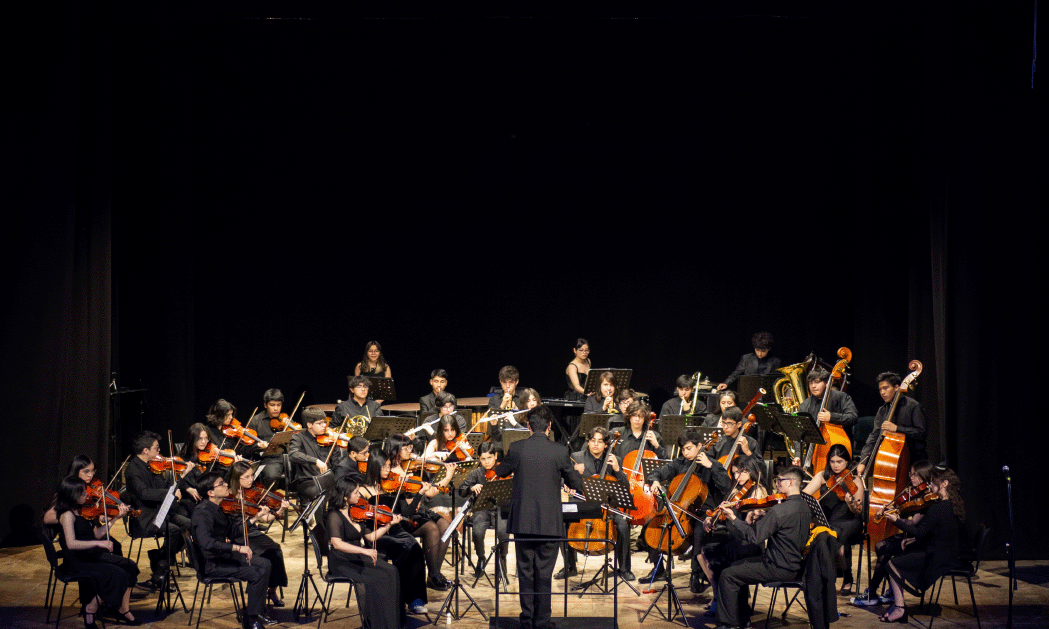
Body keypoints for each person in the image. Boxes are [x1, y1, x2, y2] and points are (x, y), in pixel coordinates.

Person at [492, 405, 583, 629]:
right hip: (549, 523)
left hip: (522, 522)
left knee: (525, 572)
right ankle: (541, 622)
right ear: (550, 426)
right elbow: (576, 484)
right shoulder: (560, 451)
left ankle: (527, 620)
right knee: (544, 573)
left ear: (528, 426)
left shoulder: (516, 448)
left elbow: (500, 471)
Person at [713, 466, 812, 629]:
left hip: (777, 566)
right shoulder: (804, 506)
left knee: (727, 575)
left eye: (780, 480)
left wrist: (733, 518)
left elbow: (754, 537)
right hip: (795, 564)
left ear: (791, 482)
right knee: (737, 567)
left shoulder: (780, 510)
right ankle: (743, 619)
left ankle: (727, 625)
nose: (777, 484)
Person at [879, 467, 967, 623]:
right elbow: (938, 534)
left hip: (937, 557)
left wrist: (896, 521)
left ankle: (899, 608)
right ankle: (897, 604)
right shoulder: (954, 505)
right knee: (901, 555)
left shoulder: (937, 508)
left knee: (892, 563)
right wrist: (914, 541)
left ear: (945, 484)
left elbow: (919, 532)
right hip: (950, 554)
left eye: (933, 482)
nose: (930, 485)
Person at [646, 426, 732, 584]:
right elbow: (657, 472)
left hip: (703, 511)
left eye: (689, 448)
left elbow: (726, 486)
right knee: (652, 525)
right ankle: (658, 570)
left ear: (700, 446)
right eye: (683, 449)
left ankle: (696, 574)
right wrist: (656, 481)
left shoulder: (712, 464)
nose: (685, 453)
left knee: (699, 532)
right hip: (679, 509)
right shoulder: (680, 463)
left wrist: (711, 467)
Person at [190, 472, 276, 629]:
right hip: (212, 564)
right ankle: (251, 619)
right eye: (221, 484)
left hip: (222, 556)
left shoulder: (217, 508)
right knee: (256, 573)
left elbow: (233, 531)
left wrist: (256, 517)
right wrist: (237, 547)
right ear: (210, 492)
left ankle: (255, 611)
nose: (226, 485)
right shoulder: (202, 513)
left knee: (265, 563)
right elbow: (207, 543)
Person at [54, 476, 141, 628]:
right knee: (117, 574)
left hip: (91, 556)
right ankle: (91, 608)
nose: (86, 495)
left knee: (130, 566)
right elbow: (71, 543)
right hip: (78, 561)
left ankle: (123, 609)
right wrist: (98, 543)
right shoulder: (67, 515)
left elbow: (97, 534)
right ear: (72, 494)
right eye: (82, 493)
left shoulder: (83, 511)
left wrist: (115, 518)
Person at [326, 476, 407, 628]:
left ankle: (393, 622)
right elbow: (337, 544)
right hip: (343, 561)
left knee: (392, 571)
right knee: (379, 578)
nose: (360, 495)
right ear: (345, 496)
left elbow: (370, 536)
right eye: (356, 492)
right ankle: (376, 623)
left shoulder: (355, 512)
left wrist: (389, 524)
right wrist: (365, 551)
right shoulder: (334, 515)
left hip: (358, 556)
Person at [852, 460, 936, 606]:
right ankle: (888, 589)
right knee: (880, 546)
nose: (912, 478)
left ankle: (874, 591)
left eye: (915, 475)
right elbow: (908, 515)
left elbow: (912, 523)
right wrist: (892, 510)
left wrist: (895, 518)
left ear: (925, 476)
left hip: (920, 541)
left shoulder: (928, 499)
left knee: (883, 548)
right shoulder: (917, 495)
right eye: (911, 474)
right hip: (911, 536)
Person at [358, 450, 429, 612]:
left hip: (396, 530)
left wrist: (419, 494)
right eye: (384, 467)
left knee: (415, 548)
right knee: (404, 549)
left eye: (389, 466)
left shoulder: (392, 488)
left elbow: (407, 513)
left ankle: (415, 599)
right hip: (378, 534)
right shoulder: (363, 491)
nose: (388, 470)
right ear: (375, 467)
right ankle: (400, 596)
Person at [124, 430, 194, 590]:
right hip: (144, 518)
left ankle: (160, 563)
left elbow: (163, 488)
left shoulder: (153, 466)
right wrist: (169, 492)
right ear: (145, 450)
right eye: (156, 448)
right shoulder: (133, 471)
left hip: (161, 513)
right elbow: (144, 493)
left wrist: (181, 477)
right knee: (175, 531)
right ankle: (161, 569)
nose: (159, 452)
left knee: (189, 525)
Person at [561, 426, 634, 580]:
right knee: (563, 522)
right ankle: (569, 566)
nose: (595, 444)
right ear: (588, 442)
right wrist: (567, 485)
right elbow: (565, 477)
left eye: (600, 442)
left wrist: (617, 469)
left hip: (608, 507)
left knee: (622, 524)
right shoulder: (577, 457)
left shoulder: (615, 459)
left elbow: (625, 488)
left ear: (606, 445)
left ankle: (624, 568)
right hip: (584, 503)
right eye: (593, 441)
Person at [697, 457, 768, 610]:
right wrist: (712, 517)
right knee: (703, 551)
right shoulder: (737, 489)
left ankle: (728, 603)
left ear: (749, 471)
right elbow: (724, 512)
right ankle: (719, 597)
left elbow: (753, 528)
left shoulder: (758, 490)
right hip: (737, 537)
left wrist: (752, 515)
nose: (736, 478)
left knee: (715, 554)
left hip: (751, 542)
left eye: (739, 473)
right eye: (734, 474)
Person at [802, 444, 865, 595]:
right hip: (828, 520)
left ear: (847, 462)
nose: (836, 466)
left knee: (837, 539)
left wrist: (850, 503)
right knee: (824, 536)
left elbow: (857, 509)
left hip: (850, 520)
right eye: (832, 461)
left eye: (839, 462)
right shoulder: (823, 476)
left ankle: (846, 576)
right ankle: (825, 578)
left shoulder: (855, 480)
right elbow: (805, 495)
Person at [228, 460, 290, 607]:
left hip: (252, 532)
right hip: (238, 535)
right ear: (237, 479)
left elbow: (266, 518)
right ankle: (257, 591)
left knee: (275, 550)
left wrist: (280, 510)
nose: (251, 480)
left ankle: (272, 590)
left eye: (252, 476)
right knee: (265, 556)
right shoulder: (229, 497)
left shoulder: (252, 494)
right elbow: (235, 528)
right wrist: (255, 517)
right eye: (247, 477)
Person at [856, 371, 928, 475]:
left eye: (885, 388)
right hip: (890, 461)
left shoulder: (913, 406)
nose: (882, 392)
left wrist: (897, 428)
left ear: (896, 387)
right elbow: (874, 436)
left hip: (913, 460)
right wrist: (863, 461)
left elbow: (922, 433)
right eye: (880, 389)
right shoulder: (882, 410)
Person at [457, 441, 510, 579]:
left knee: (502, 530)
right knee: (478, 531)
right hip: (482, 509)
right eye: (483, 459)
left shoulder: (504, 470)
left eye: (489, 458)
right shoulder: (477, 473)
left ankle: (502, 559)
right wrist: (471, 488)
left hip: (500, 508)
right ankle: (481, 558)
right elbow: (462, 490)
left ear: (496, 456)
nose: (486, 462)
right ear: (479, 459)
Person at [288, 408, 351, 503]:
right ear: (309, 425)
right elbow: (293, 454)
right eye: (319, 423)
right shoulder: (298, 437)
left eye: (325, 422)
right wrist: (315, 461)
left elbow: (335, 464)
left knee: (348, 490)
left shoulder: (329, 439)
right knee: (321, 493)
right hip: (308, 481)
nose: (324, 426)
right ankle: (319, 518)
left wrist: (336, 447)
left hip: (327, 480)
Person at [246, 388, 290, 486]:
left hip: (287, 455)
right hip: (269, 458)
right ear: (265, 405)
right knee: (271, 476)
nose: (276, 408)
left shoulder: (284, 419)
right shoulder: (256, 421)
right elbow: (247, 447)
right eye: (272, 405)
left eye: (279, 405)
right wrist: (258, 446)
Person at [798, 367, 859, 432]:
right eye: (810, 383)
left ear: (826, 383)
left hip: (838, 440)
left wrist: (832, 417)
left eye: (817, 382)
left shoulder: (841, 397)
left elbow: (853, 417)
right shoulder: (805, 405)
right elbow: (801, 430)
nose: (813, 386)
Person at [709, 406, 760, 472]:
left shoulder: (751, 442)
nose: (725, 427)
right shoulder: (718, 442)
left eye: (729, 423)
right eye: (723, 423)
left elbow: (761, 467)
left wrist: (748, 452)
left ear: (738, 424)